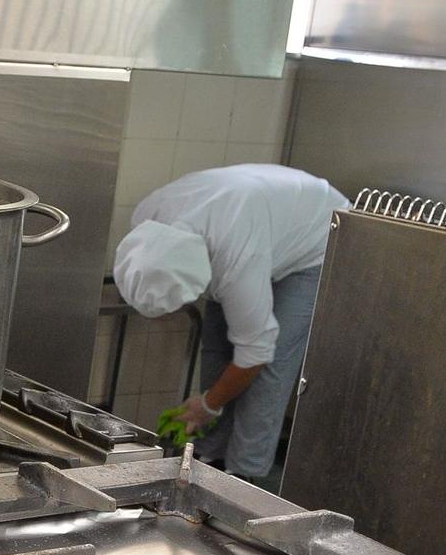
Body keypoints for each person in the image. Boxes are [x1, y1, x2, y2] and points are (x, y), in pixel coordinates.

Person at [112, 163, 347, 479]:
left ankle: (243, 476)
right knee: (218, 347)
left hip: (317, 234)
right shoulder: (147, 220)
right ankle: (209, 457)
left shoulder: (237, 265)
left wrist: (208, 405)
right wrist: (209, 402)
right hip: (258, 219)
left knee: (270, 365)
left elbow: (257, 354)